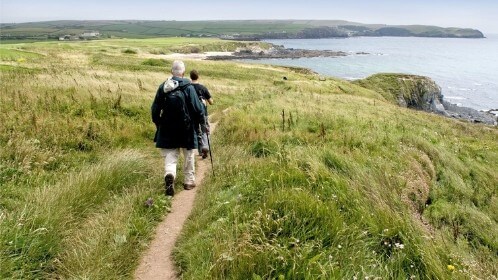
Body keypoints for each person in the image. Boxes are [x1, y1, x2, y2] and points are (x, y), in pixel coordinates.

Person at [151, 61, 205, 196]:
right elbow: (198, 109)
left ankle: (170, 174)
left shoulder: (164, 86)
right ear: (183, 72)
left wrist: (159, 124)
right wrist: (201, 124)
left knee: (170, 155)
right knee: (188, 155)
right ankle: (189, 181)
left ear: (171, 72)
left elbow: (155, 109)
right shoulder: (189, 87)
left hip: (167, 127)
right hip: (186, 128)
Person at [190, 69, 213, 159]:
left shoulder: (188, 88)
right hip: (203, 113)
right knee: (205, 130)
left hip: (192, 114)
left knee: (197, 131)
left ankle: (200, 151)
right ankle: (205, 147)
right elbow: (211, 102)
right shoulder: (203, 88)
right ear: (198, 76)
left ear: (190, 77)